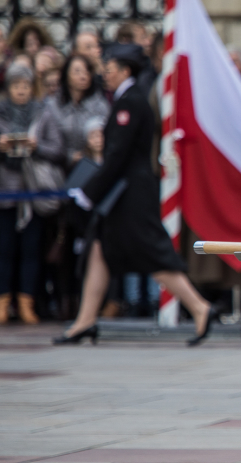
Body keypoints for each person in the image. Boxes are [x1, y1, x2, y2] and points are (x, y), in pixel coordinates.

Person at [55, 44, 213, 344]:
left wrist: (89, 192)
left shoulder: (131, 103)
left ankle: (199, 307)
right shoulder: (126, 100)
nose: (105, 74)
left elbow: (118, 156)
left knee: (153, 255)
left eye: (110, 68)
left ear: (126, 70)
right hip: (121, 194)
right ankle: (85, 320)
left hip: (130, 195)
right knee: (98, 251)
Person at [0, 63, 61, 324]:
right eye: (16, 85)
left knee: (31, 249)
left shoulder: (43, 112)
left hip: (32, 190)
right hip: (5, 190)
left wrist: (36, 146)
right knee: (4, 249)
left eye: (25, 85)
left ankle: (27, 302)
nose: (21, 90)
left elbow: (58, 149)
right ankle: (3, 301)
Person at [36, 55, 110, 168]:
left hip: (92, 165)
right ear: (66, 75)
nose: (83, 76)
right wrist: (69, 156)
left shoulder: (100, 105)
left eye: (87, 71)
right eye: (77, 71)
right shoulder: (52, 105)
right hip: (58, 165)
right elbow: (45, 138)